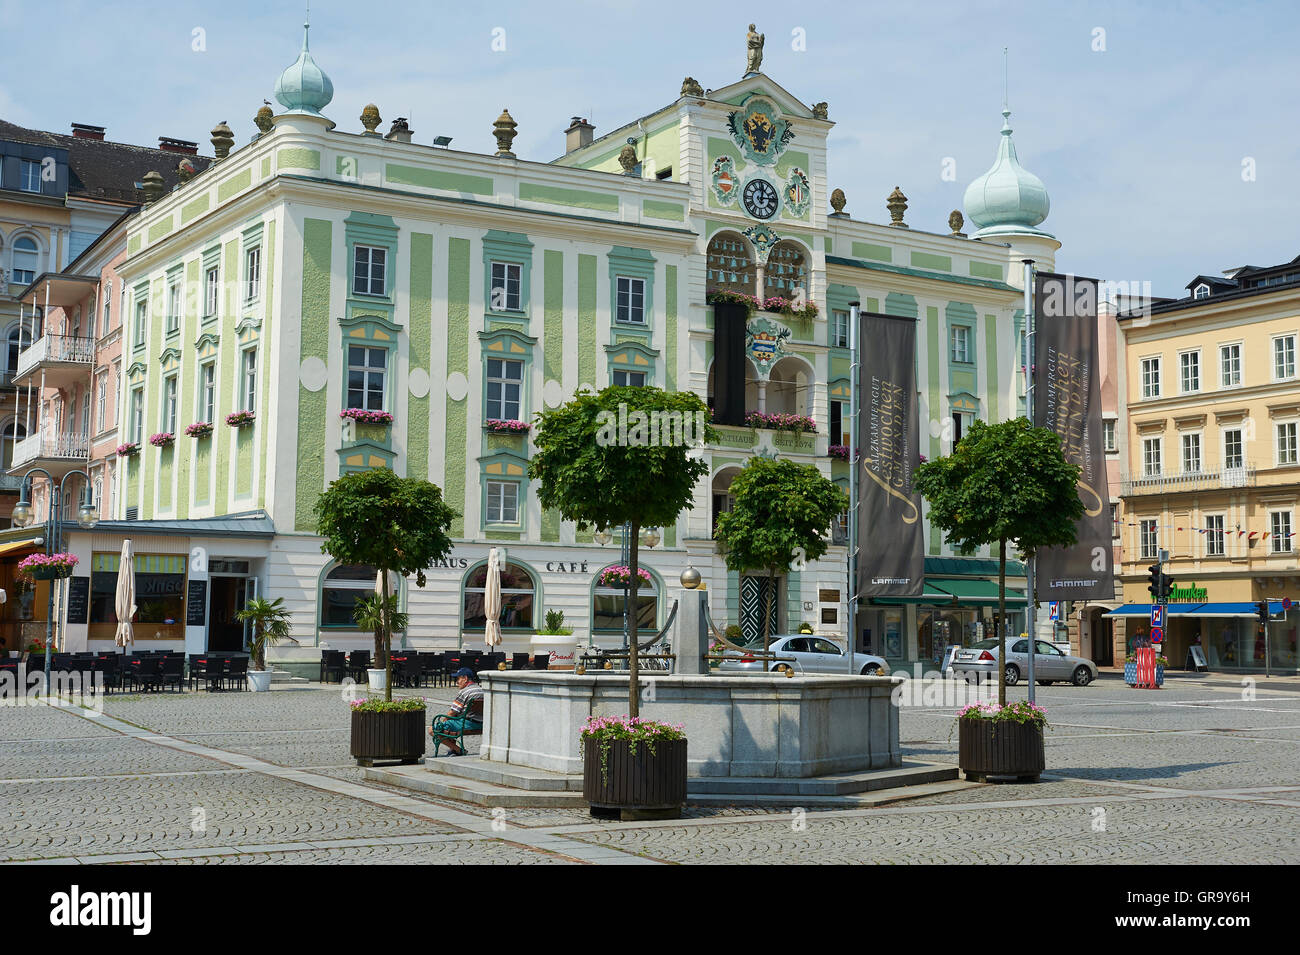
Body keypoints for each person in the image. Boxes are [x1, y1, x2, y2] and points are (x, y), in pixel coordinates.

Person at [430, 667, 484, 756]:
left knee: (433, 729)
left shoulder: (464, 692)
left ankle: (459, 750)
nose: (457, 682)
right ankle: (453, 750)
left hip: (467, 724)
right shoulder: (482, 690)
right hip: (481, 724)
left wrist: (443, 721)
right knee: (451, 722)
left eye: (458, 679)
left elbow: (452, 712)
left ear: (465, 679)